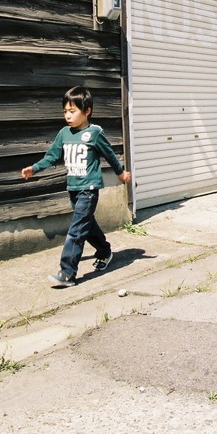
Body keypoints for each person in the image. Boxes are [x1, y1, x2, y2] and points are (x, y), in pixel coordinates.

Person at [21, 85, 131, 287]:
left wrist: (121, 173)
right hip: (73, 188)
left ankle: (67, 273)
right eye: (65, 111)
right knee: (86, 227)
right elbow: (52, 156)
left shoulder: (94, 133)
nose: (68, 116)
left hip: (88, 189)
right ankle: (105, 251)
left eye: (73, 111)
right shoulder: (64, 133)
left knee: (76, 230)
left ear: (87, 111)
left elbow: (109, 155)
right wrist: (34, 168)